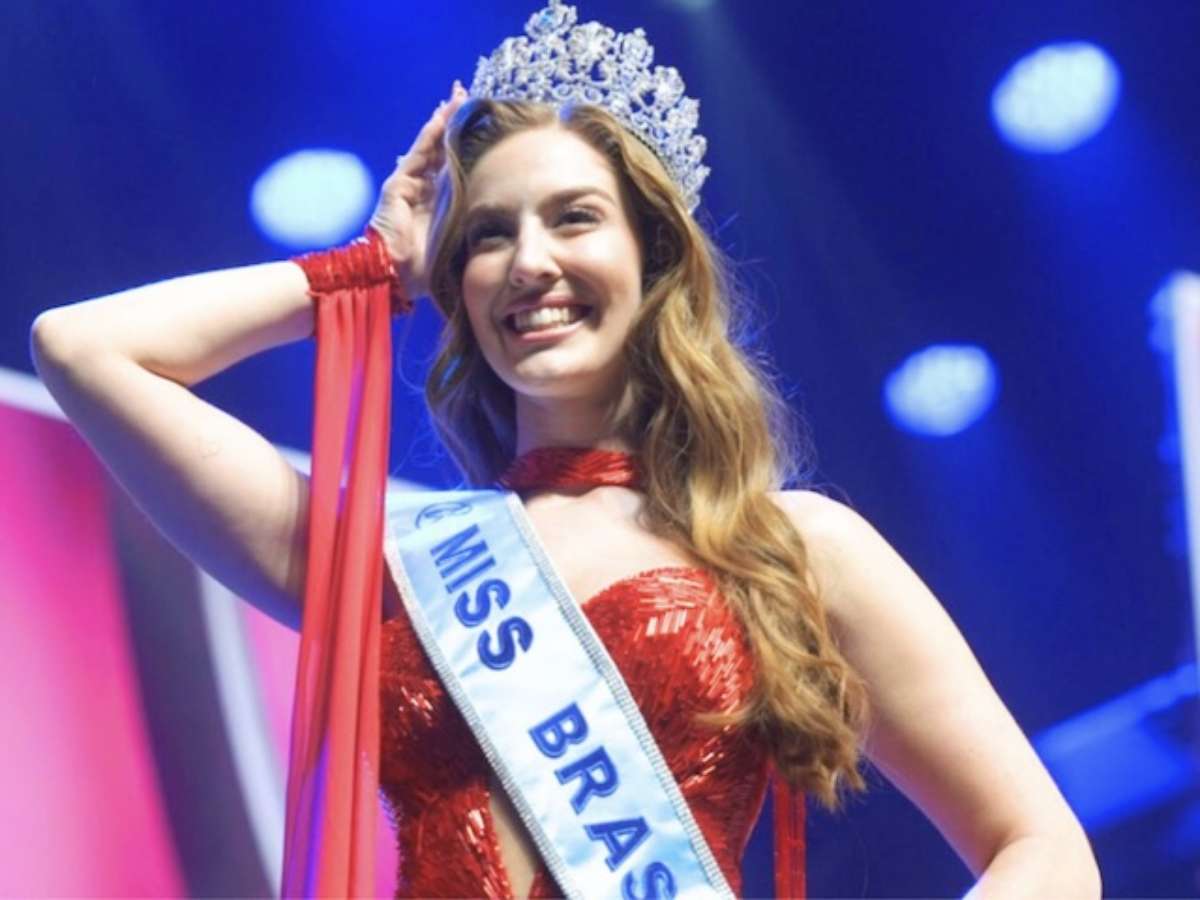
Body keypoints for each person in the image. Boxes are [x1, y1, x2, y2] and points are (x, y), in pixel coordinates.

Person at [30, 2, 1100, 897]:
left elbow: (1043, 849)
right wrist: (368, 269)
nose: (528, 262)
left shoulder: (790, 547)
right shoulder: (397, 564)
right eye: (489, 234)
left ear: (654, 259)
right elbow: (85, 349)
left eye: (574, 218)